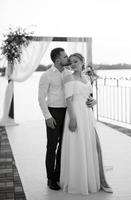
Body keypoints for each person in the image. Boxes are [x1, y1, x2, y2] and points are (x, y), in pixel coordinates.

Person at [60, 53, 112, 195]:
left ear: (83, 62)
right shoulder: (68, 78)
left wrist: (93, 101)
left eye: (76, 61)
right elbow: (69, 100)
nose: (73, 64)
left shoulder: (87, 78)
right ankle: (77, 181)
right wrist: (73, 119)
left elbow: (88, 96)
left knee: (88, 144)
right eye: (70, 62)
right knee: (77, 144)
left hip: (87, 114)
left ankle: (89, 176)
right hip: (75, 113)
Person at [38, 47, 71, 190]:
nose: (68, 58)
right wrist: (47, 116)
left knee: (64, 146)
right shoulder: (46, 75)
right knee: (52, 146)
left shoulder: (70, 73)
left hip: (68, 113)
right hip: (53, 112)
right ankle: (50, 178)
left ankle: (58, 175)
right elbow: (41, 98)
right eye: (65, 57)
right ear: (57, 60)